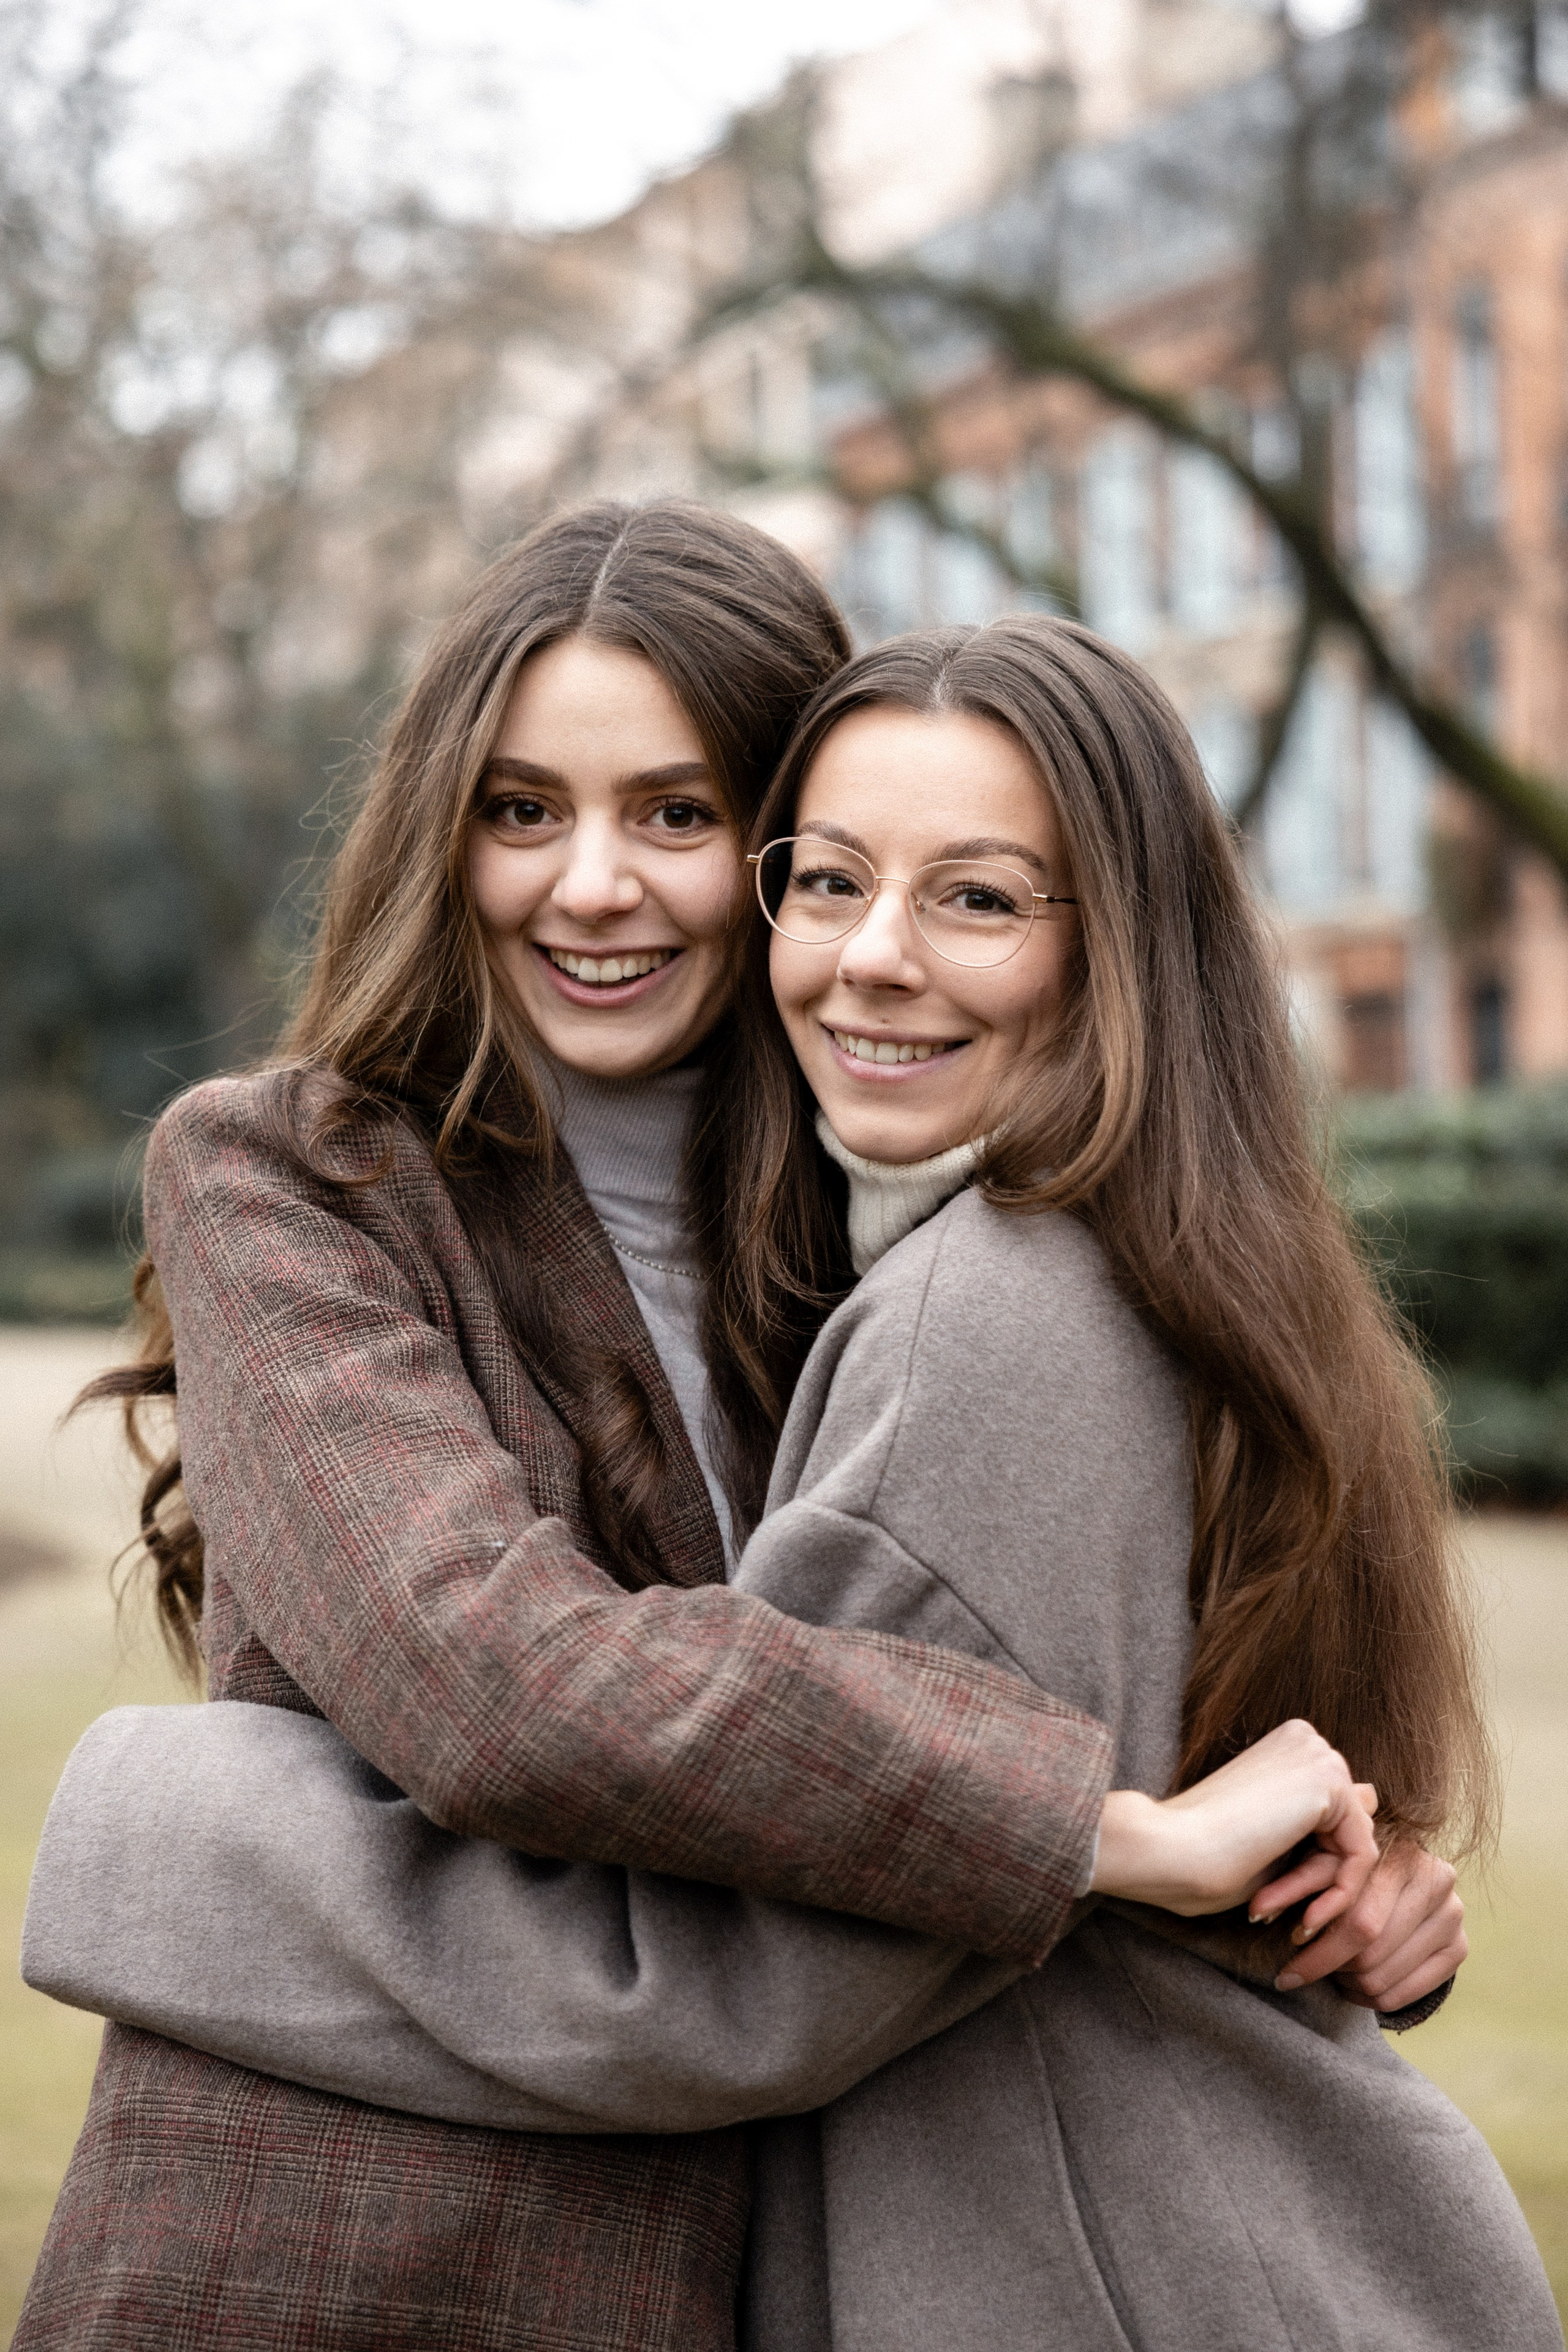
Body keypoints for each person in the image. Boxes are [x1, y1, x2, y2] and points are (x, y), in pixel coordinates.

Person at [22, 614, 1530, 2348]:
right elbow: (480, 1667)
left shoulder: (941, 1261)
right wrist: (1113, 1837)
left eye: (673, 813)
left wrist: (188, 1845)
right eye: (521, 808)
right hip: (353, 2258)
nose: (594, 883)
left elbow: (737, 1951)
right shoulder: (302, 1177)